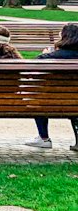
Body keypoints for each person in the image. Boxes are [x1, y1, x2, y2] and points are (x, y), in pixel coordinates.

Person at [25, 22, 78, 150]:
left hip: (49, 101)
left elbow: (32, 73)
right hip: (75, 100)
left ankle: (44, 138)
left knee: (37, 99)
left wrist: (45, 53)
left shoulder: (48, 57)